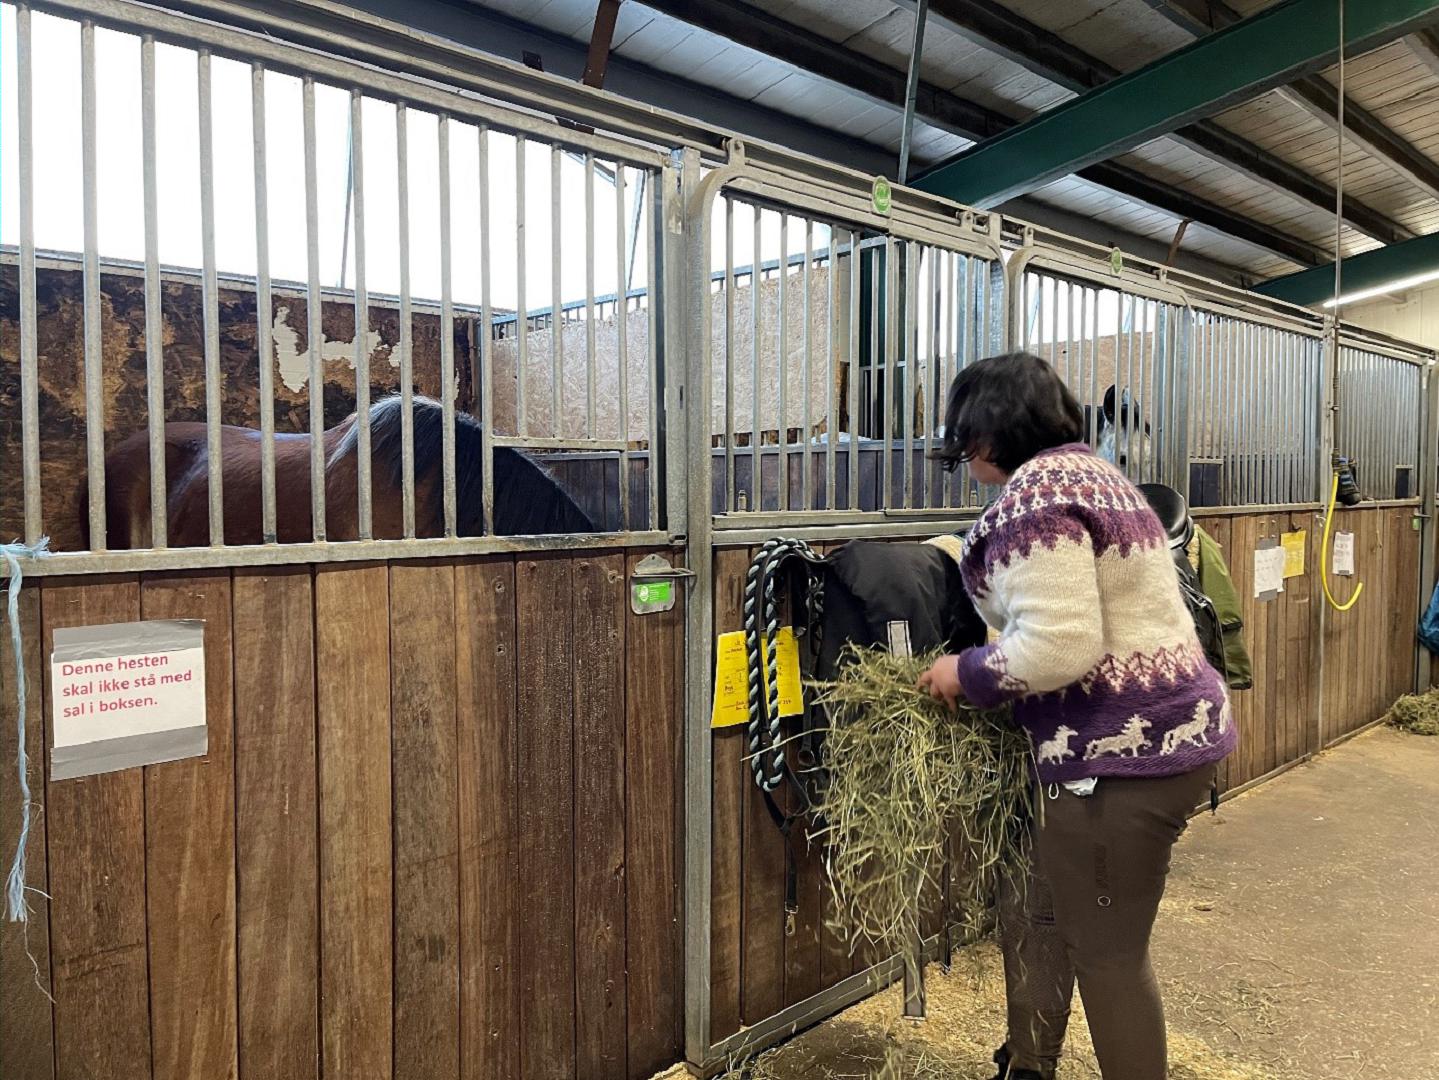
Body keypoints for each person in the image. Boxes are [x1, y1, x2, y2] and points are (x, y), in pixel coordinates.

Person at [917, 352, 1237, 1080]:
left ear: (985, 434)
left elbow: (1060, 645)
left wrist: (964, 672)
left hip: (1120, 761)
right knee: (1040, 905)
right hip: (1149, 737)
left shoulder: (1035, 502)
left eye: (964, 434)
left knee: (1109, 957)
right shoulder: (1092, 474)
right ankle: (1029, 1062)